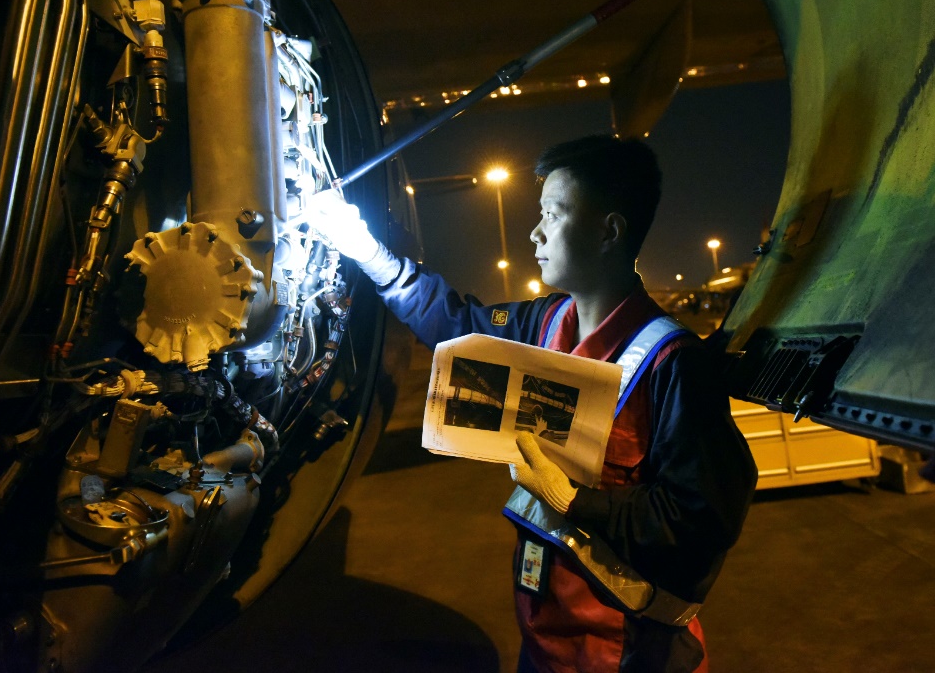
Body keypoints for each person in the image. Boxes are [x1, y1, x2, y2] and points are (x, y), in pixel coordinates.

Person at [312, 135, 756, 673]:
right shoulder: (543, 324)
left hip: (629, 652)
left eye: (552, 214)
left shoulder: (675, 364)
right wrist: (369, 252)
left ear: (608, 231)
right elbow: (456, 325)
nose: (534, 232)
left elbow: (702, 519)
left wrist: (573, 500)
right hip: (545, 642)